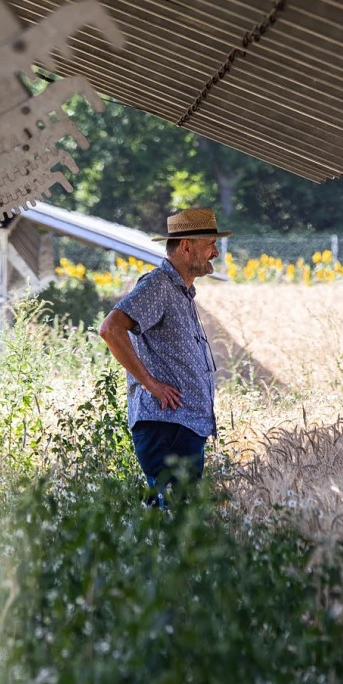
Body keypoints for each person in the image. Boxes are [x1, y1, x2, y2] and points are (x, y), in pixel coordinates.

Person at [97, 208, 229, 505]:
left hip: (180, 427)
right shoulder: (159, 285)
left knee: (176, 518)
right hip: (167, 426)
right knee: (174, 518)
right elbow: (111, 328)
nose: (215, 253)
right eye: (210, 244)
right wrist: (150, 384)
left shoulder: (179, 290)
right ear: (186, 247)